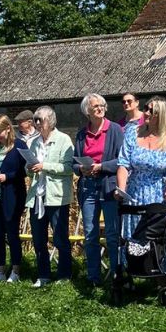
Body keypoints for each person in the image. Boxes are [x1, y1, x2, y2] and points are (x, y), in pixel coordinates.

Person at [116, 96, 166, 275]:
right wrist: (121, 189)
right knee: (134, 237)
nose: (147, 113)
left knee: (160, 239)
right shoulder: (132, 132)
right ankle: (134, 270)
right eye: (146, 108)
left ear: (162, 115)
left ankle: (162, 274)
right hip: (135, 193)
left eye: (152, 111)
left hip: (160, 194)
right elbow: (123, 163)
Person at [73, 94, 125, 287]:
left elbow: (122, 159)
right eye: (95, 106)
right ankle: (93, 277)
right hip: (88, 187)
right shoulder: (81, 134)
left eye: (102, 105)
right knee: (90, 234)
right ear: (87, 111)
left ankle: (116, 275)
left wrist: (101, 166)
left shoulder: (115, 130)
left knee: (112, 234)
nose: (100, 108)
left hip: (109, 186)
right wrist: (81, 168)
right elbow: (73, 162)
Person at [26, 106, 74, 286]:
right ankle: (43, 275)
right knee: (39, 239)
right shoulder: (34, 142)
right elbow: (30, 172)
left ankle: (64, 275)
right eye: (36, 120)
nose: (37, 123)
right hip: (37, 196)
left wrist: (44, 166)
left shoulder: (63, 140)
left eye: (41, 119)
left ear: (51, 120)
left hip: (57, 196)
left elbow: (69, 168)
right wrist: (29, 169)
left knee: (60, 238)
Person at [0, 114, 27, 283]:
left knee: (12, 233)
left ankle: (16, 269)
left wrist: (7, 177)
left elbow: (24, 171)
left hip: (11, 195)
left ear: (8, 129)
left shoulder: (19, 146)